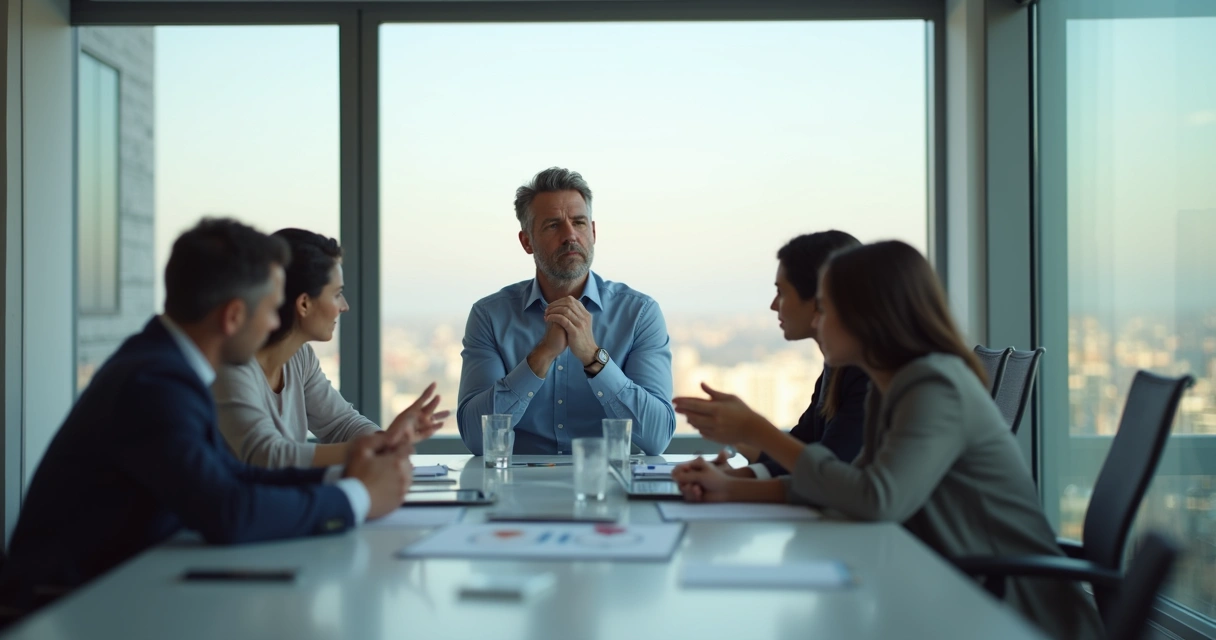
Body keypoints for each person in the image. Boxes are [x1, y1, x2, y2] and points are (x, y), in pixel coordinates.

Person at [670, 240, 1103, 640]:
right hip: (950, 588)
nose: (818, 322)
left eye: (827, 308)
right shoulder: (891, 385)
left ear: (867, 315)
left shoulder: (935, 385)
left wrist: (759, 433)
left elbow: (877, 498)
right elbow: (846, 486)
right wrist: (731, 489)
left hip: (1012, 610)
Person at [0, 219, 414, 622]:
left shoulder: (167, 364)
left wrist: (347, 480)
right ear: (234, 317)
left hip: (123, 587)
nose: (275, 324)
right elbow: (228, 511)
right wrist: (357, 497)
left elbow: (230, 475)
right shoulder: (155, 383)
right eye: (271, 310)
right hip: (62, 609)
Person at [456, 167, 675, 455]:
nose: (570, 235)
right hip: (518, 489)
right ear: (526, 241)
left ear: (593, 232)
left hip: (609, 488)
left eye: (579, 222)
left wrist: (595, 359)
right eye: (553, 225)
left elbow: (657, 437)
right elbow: (475, 438)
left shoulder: (639, 314)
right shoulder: (489, 316)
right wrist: (541, 356)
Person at [213, 229, 446, 469]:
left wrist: (387, 442)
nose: (344, 307)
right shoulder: (232, 366)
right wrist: (377, 445)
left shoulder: (299, 357)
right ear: (304, 303)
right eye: (337, 295)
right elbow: (268, 456)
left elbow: (341, 424)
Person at [710, 231, 870, 479]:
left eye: (782, 292)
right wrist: (736, 472)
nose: (774, 305)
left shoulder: (866, 372)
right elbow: (800, 451)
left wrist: (749, 432)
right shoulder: (836, 367)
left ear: (819, 299)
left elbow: (829, 471)